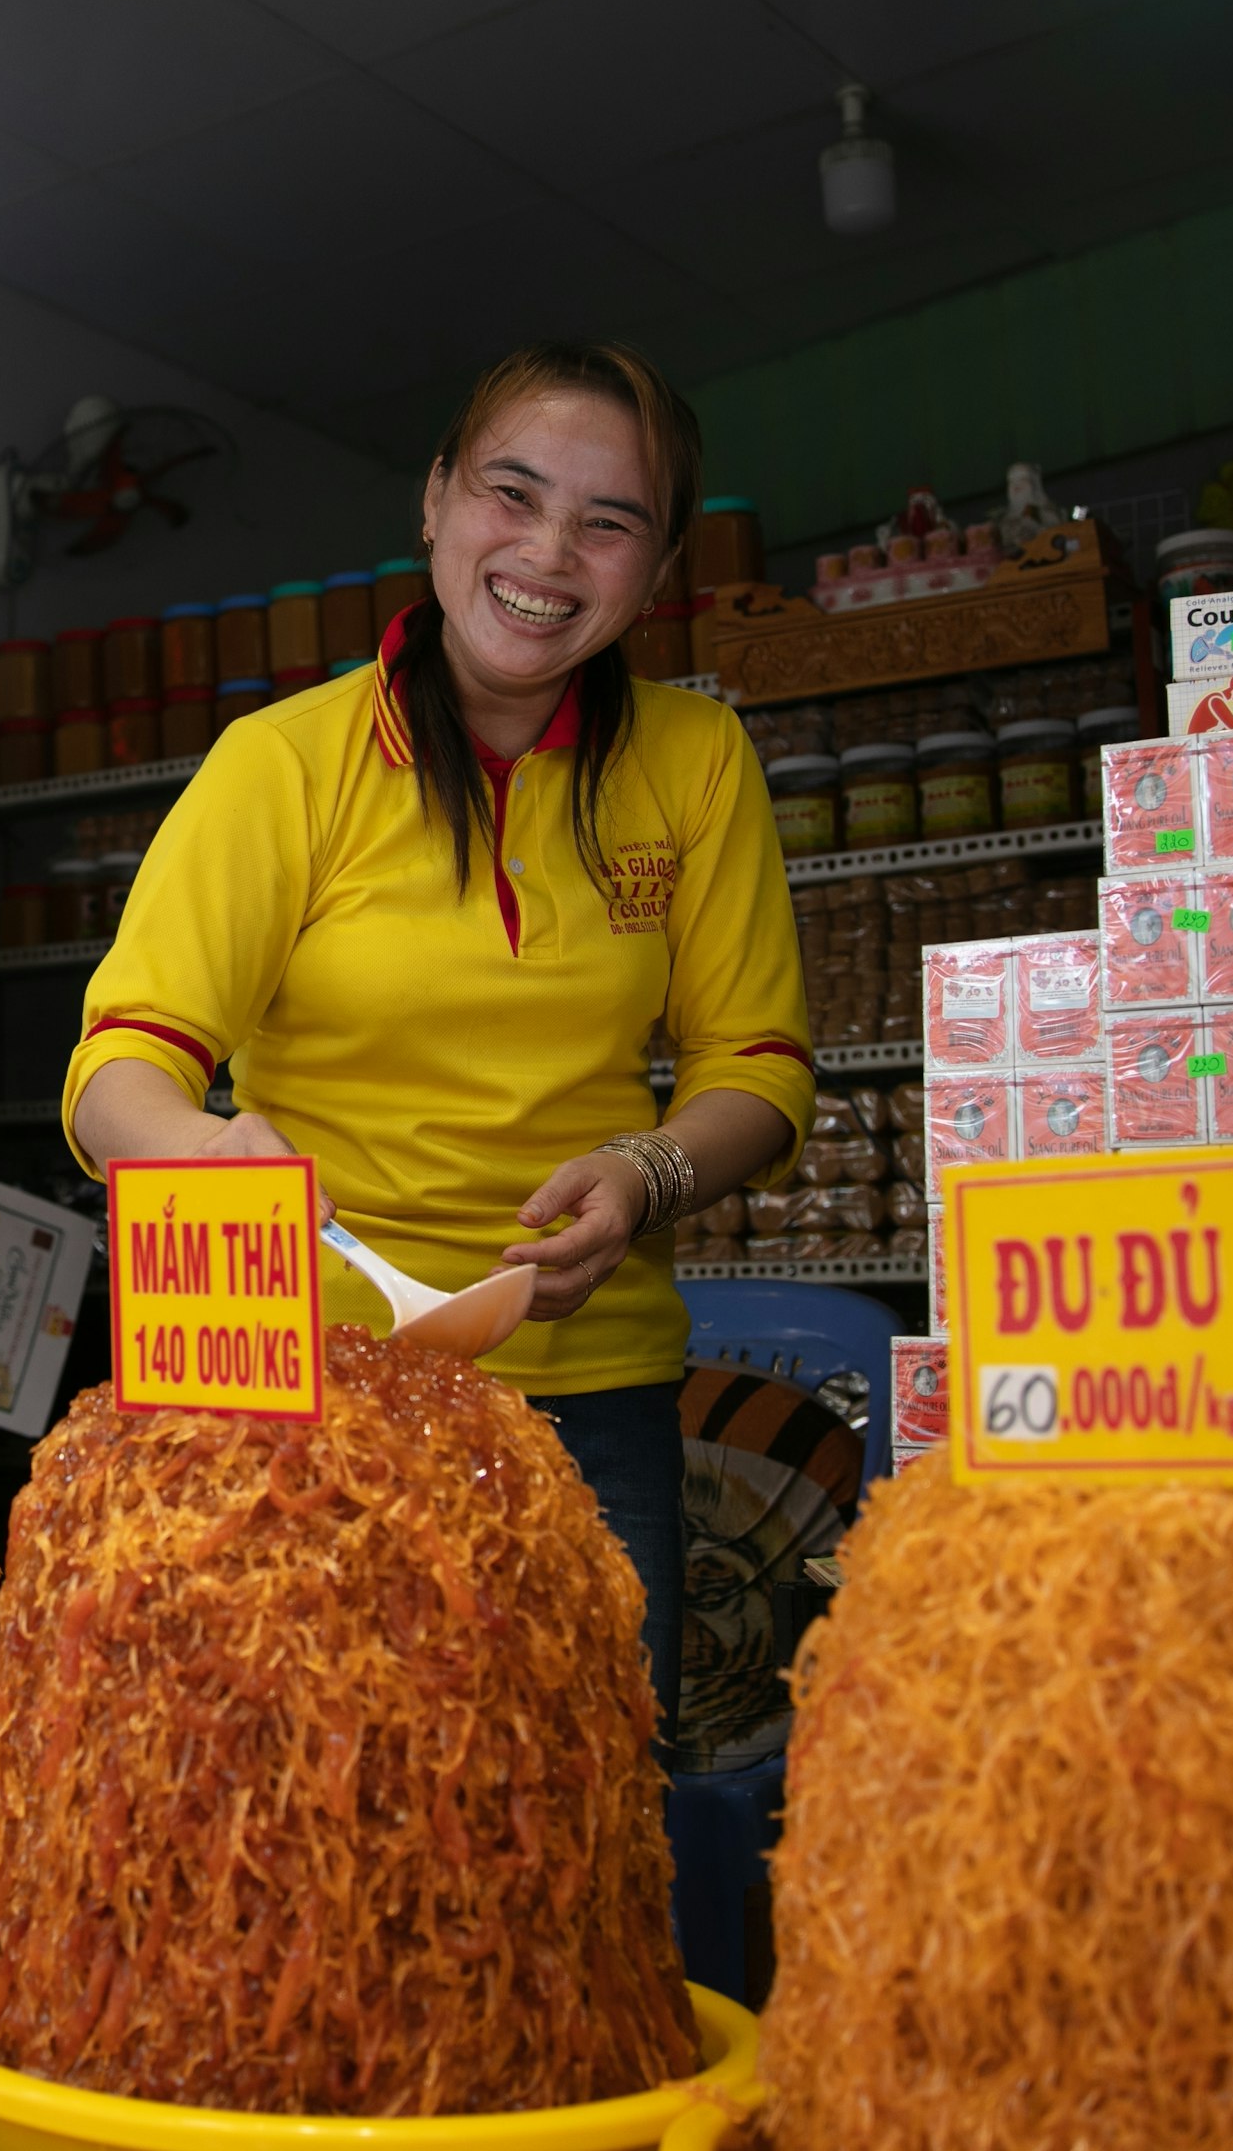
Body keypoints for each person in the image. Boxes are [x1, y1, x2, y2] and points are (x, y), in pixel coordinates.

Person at [63, 340, 813, 1735]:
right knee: (288, 1807)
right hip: (296, 1381)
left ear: (655, 569)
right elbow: (118, 1069)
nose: (547, 553)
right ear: (435, 501)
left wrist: (647, 1175)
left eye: (609, 521)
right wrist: (200, 1147)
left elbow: (758, 1072)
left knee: (579, 1815)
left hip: (587, 1396)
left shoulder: (697, 765)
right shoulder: (282, 762)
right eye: (511, 495)